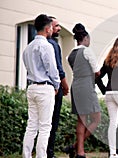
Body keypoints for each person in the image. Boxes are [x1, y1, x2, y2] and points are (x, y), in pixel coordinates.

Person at [22, 14, 61, 158]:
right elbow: (52, 69)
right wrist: (56, 85)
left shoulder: (28, 47)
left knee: (31, 125)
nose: (52, 29)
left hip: (31, 87)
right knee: (45, 127)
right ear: (47, 28)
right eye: (51, 26)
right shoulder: (47, 45)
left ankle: (26, 155)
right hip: (45, 88)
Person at [67, 23, 101, 158]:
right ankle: (76, 148)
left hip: (75, 86)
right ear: (85, 38)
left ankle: (79, 151)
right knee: (97, 118)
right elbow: (97, 72)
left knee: (81, 120)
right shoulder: (87, 51)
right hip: (87, 86)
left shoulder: (70, 55)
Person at [46, 16, 69, 158]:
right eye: (56, 26)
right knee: (52, 122)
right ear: (49, 27)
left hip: (40, 88)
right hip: (54, 88)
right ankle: (50, 153)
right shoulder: (53, 44)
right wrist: (65, 85)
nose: (59, 28)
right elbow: (59, 69)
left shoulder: (36, 44)